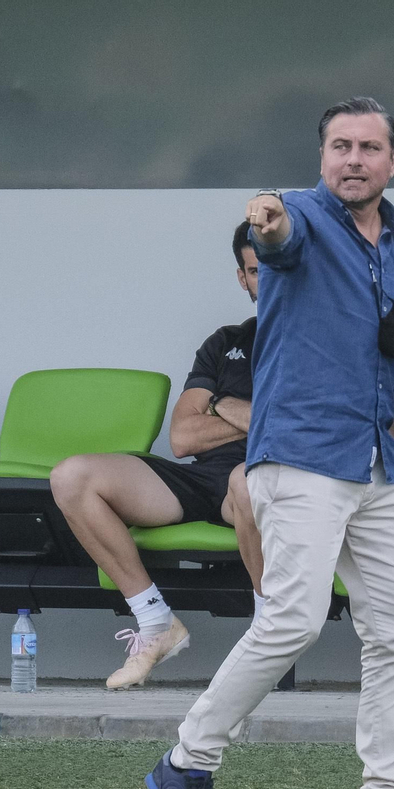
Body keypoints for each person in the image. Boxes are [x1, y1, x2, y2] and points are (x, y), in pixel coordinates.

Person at [143, 96, 394, 789]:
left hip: (377, 467)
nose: (354, 159)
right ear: (321, 157)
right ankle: (186, 762)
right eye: (340, 147)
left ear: (393, 160)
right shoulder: (298, 217)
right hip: (302, 457)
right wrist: (268, 220)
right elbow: (276, 236)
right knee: (291, 619)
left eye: (369, 147)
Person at [51, 221, 266, 690]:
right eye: (254, 270)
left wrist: (219, 404)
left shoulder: (316, 342)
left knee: (248, 481)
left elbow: (294, 428)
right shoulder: (225, 341)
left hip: (263, 479)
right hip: (203, 478)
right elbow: (183, 438)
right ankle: (155, 621)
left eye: (274, 266)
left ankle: (269, 631)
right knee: (72, 477)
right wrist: (246, 411)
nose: (265, 279)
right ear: (242, 278)